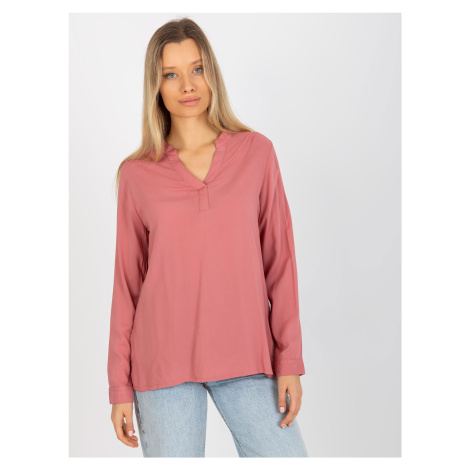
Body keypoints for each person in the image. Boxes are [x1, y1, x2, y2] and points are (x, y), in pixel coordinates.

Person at [107, 17, 308, 458]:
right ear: (156, 87)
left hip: (247, 356)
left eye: (196, 69)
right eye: (171, 74)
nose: (187, 85)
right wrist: (119, 385)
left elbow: (280, 263)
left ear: (211, 73)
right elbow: (127, 285)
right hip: (162, 363)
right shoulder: (137, 174)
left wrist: (290, 360)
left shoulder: (256, 153)